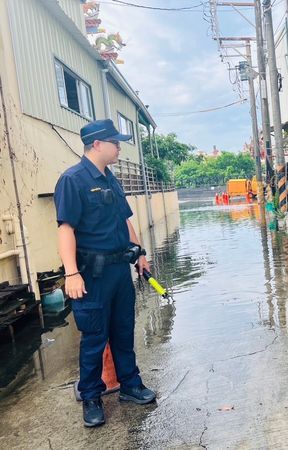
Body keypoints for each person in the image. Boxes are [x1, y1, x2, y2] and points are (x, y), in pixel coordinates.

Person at [54, 119, 156, 427]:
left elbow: (125, 220)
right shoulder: (73, 180)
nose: (120, 147)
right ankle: (91, 397)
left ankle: (130, 385)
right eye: (115, 142)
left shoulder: (110, 178)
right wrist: (72, 273)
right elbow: (66, 229)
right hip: (92, 275)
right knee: (95, 338)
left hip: (118, 271)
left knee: (124, 331)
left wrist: (139, 254)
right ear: (97, 144)